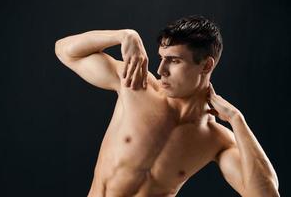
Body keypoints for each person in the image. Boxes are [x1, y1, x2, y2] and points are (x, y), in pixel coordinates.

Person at [55, 15, 280, 197]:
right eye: (162, 58)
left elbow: (266, 194)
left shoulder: (216, 139)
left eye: (174, 60)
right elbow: (65, 51)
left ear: (206, 65)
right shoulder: (135, 84)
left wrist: (236, 119)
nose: (161, 70)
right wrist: (124, 35)